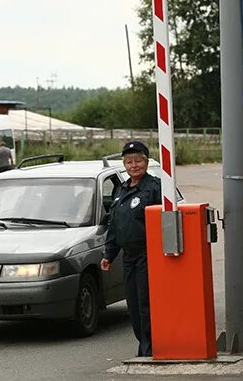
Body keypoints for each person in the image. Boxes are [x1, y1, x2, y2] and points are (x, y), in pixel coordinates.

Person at [100, 141, 161, 357]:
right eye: (129, 162)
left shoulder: (154, 188)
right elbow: (115, 226)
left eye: (138, 161)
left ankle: (151, 347)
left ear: (146, 161)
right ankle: (144, 344)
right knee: (133, 305)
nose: (134, 165)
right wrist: (109, 254)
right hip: (129, 258)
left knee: (146, 303)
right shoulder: (121, 189)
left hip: (149, 255)